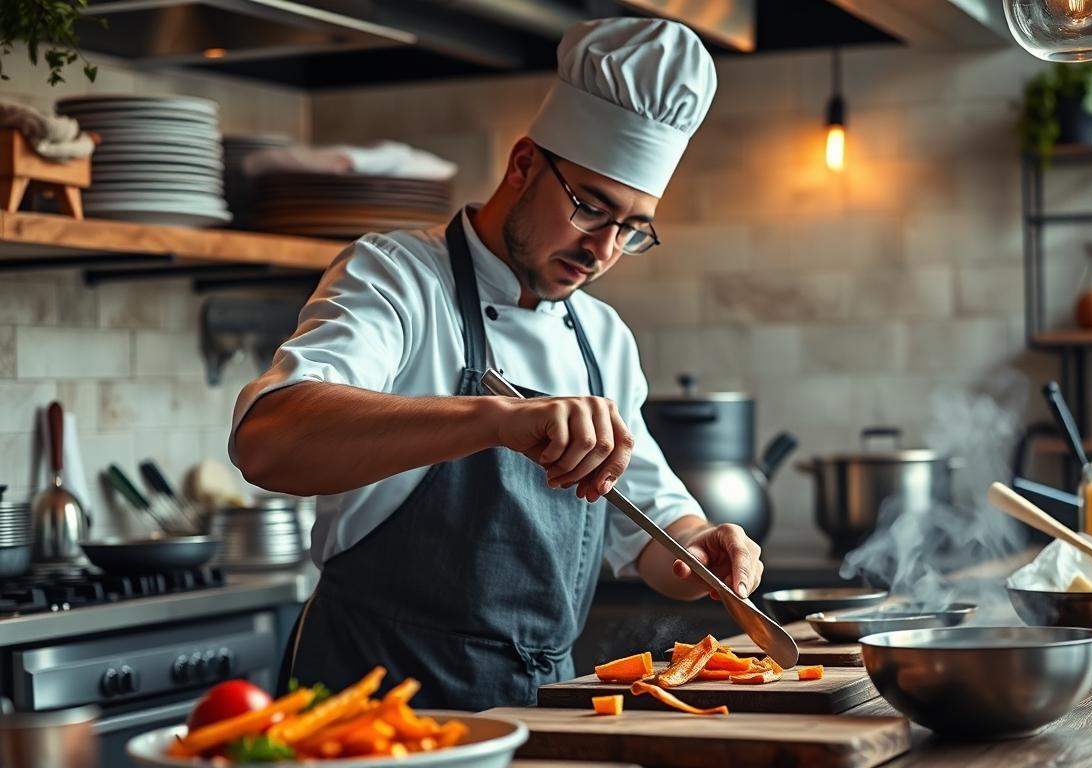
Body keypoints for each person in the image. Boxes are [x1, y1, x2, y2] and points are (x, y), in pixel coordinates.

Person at [228, 16, 765, 709]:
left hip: (540, 710)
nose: (603, 251)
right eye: (592, 209)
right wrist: (498, 420)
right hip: (372, 708)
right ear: (522, 165)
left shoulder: (602, 336)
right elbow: (267, 443)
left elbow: (653, 536)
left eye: (632, 230)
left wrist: (704, 550)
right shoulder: (395, 278)